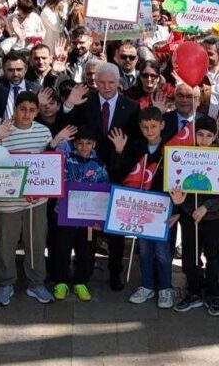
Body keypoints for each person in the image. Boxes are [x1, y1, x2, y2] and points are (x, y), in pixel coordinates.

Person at [61, 62, 141, 290]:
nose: (106, 87)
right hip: (87, 176)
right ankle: (83, 272)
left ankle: (115, 272)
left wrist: (120, 151)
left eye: (111, 82)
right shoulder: (85, 103)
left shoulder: (131, 107)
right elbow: (68, 129)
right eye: (102, 82)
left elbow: (136, 142)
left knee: (115, 229)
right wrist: (68, 105)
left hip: (117, 173)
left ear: (119, 83)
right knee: (87, 229)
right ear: (95, 81)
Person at [0, 91, 69, 305]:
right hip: (8, 201)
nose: (26, 114)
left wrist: (39, 190)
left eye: (31, 110)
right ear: (15, 109)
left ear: (37, 112)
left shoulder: (43, 132)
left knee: (36, 241)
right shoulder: (3, 130)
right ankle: (6, 283)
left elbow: (47, 166)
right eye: (22, 109)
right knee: (7, 243)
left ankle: (36, 283)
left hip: (37, 201)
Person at [170, 116, 219, 317]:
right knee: (189, 254)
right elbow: (177, 184)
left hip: (211, 217)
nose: (204, 139)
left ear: (215, 137)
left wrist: (206, 207)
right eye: (200, 134)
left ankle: (212, 294)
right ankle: (193, 290)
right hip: (189, 215)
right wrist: (180, 204)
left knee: (213, 254)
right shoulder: (185, 155)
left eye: (209, 136)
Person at [116, 106, 174, 308]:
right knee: (144, 248)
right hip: (140, 206)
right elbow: (124, 172)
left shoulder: (171, 149)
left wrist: (176, 210)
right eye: (145, 127)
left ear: (162, 125)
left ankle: (166, 288)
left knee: (162, 251)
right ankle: (147, 285)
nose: (150, 131)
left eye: (154, 126)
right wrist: (120, 151)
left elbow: (178, 180)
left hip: (162, 207)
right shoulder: (136, 146)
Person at [52, 125, 108, 302]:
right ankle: (60, 281)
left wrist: (100, 217)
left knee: (86, 249)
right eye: (80, 143)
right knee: (61, 248)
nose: (84, 147)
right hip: (64, 214)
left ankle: (80, 282)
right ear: (74, 143)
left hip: (88, 218)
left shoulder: (99, 165)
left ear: (94, 144)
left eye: (88, 143)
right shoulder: (65, 159)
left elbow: (104, 190)